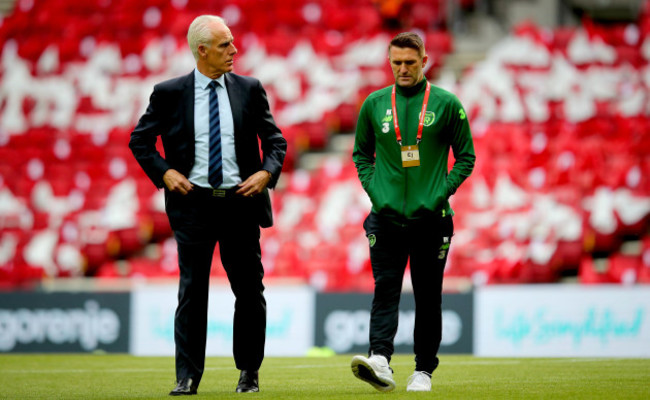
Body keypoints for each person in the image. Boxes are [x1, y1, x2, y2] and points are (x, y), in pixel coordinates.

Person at [129, 15, 286, 396]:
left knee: (249, 290)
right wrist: (164, 172)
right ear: (202, 50)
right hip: (193, 205)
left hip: (240, 203)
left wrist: (266, 173)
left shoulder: (250, 89)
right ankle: (187, 377)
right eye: (225, 45)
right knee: (192, 291)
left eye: (232, 43)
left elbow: (276, 141)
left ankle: (249, 373)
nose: (234, 51)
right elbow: (140, 141)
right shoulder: (169, 93)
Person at [350, 32, 475, 392]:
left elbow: (467, 157)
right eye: (396, 62)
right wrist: (376, 190)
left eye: (409, 62)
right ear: (389, 62)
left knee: (428, 293)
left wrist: (441, 191)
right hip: (385, 217)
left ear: (424, 61)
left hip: (432, 219)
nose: (403, 69)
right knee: (385, 288)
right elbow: (361, 155)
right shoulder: (373, 104)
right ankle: (380, 359)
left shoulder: (447, 104)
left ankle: (423, 370)